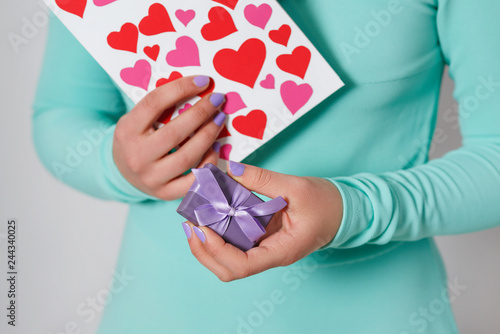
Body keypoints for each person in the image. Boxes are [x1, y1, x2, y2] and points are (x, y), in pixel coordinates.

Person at [33, 0, 500, 333]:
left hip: (380, 312)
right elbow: (59, 113)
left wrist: (352, 209)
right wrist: (118, 165)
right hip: (159, 311)